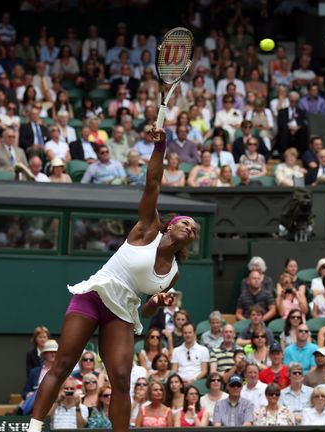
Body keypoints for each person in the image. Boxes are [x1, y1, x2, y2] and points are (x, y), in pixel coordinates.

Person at [27, 125, 198, 432]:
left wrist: (156, 304)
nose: (190, 228)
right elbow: (153, 183)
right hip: (94, 295)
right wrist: (159, 149)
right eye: (185, 222)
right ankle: (34, 427)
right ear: (170, 226)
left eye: (195, 229)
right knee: (64, 363)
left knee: (121, 378)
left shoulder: (173, 274)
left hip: (123, 311)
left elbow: (145, 310)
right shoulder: (148, 228)